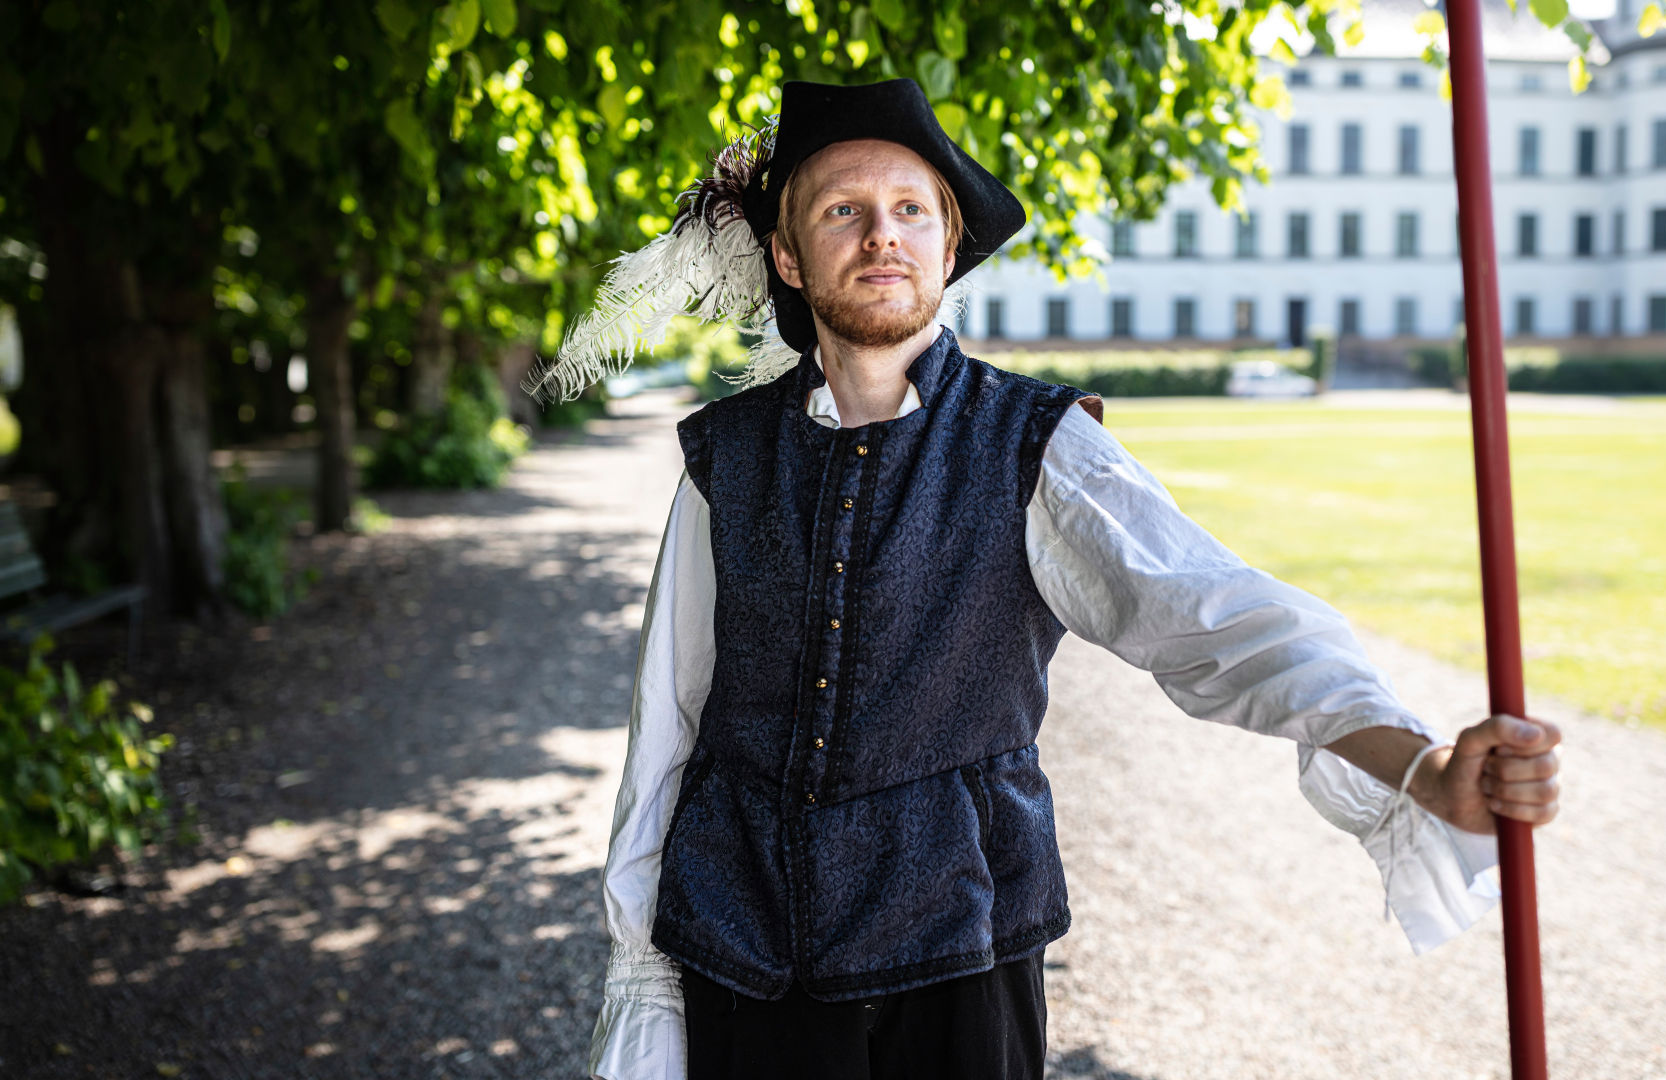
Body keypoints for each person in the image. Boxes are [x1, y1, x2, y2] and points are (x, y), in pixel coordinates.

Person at [539, 78, 1563, 1080]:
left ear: (948, 248)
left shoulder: (1035, 446)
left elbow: (1220, 620)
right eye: (841, 210)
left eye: (910, 210)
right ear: (790, 258)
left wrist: (1420, 768)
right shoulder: (725, 459)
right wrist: (639, 961)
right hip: (744, 948)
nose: (880, 234)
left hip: (961, 942)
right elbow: (666, 721)